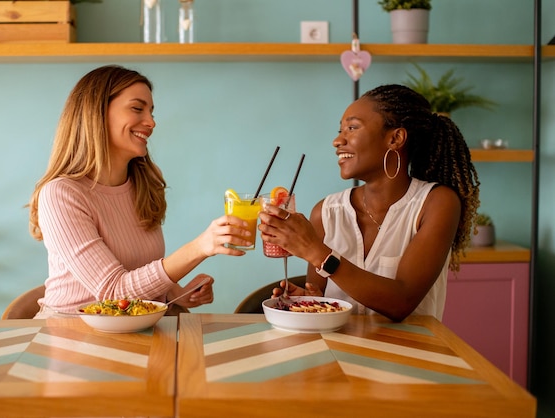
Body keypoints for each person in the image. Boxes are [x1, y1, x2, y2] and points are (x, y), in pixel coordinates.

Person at [28, 65, 253, 317]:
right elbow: (114, 293)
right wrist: (199, 248)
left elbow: (136, 280)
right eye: (137, 108)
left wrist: (177, 294)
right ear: (97, 113)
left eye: (151, 111)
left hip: (132, 331)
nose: (151, 122)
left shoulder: (142, 186)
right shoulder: (62, 195)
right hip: (71, 336)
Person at [259, 84, 480, 322]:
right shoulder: (326, 212)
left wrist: (315, 251)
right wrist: (311, 301)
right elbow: (323, 301)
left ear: (395, 138)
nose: (337, 140)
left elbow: (401, 301)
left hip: (410, 356)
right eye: (340, 130)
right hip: (340, 354)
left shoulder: (436, 203)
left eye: (352, 128)